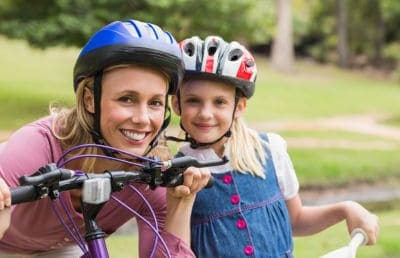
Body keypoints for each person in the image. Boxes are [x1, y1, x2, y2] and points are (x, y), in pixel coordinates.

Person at [0, 20, 211, 257]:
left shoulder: (149, 172)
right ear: (90, 100)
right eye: (127, 99)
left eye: (154, 103)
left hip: (61, 249)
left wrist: (180, 204)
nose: (143, 119)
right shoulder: (37, 147)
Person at [168, 35, 379, 257]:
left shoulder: (270, 151)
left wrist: (345, 208)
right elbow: (177, 250)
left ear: (239, 107)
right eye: (193, 100)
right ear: (177, 104)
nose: (205, 113)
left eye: (219, 102)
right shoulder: (177, 173)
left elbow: (295, 220)